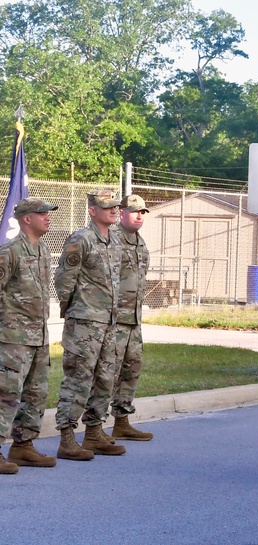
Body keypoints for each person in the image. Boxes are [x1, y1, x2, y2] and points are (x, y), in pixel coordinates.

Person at [54, 189, 126, 460]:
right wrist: (74, 310)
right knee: (79, 378)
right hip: (84, 322)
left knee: (106, 377)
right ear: (92, 210)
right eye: (107, 207)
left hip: (108, 321)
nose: (114, 210)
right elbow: (63, 280)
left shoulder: (115, 241)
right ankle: (67, 436)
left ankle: (94, 432)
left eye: (116, 207)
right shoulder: (80, 239)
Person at [0, 198, 59, 473]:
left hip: (38, 336)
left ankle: (23, 446)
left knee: (36, 393)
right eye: (42, 213)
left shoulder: (43, 250)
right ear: (27, 218)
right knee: (6, 393)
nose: (47, 217)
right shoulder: (10, 251)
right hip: (13, 338)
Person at [109, 194, 154, 440]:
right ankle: (95, 428)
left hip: (133, 320)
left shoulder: (140, 243)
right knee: (108, 373)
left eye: (143, 212)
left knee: (131, 369)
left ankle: (122, 421)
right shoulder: (111, 240)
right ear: (122, 212)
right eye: (135, 211)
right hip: (114, 320)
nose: (139, 216)